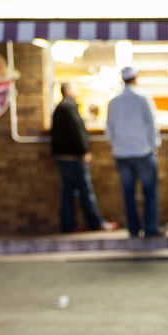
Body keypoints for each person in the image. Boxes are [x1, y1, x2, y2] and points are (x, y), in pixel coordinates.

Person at [51, 83, 116, 233]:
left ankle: (68, 225)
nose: (77, 91)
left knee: (68, 192)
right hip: (73, 157)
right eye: (74, 88)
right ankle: (96, 223)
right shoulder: (69, 106)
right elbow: (77, 131)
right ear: (67, 90)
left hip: (62, 157)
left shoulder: (61, 106)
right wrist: (84, 151)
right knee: (85, 191)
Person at [106, 67, 164, 238]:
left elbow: (108, 128)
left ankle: (133, 229)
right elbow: (152, 123)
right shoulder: (142, 97)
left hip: (122, 154)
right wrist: (154, 145)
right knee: (150, 192)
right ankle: (150, 227)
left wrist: (115, 145)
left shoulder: (113, 100)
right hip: (142, 151)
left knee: (128, 193)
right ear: (136, 78)